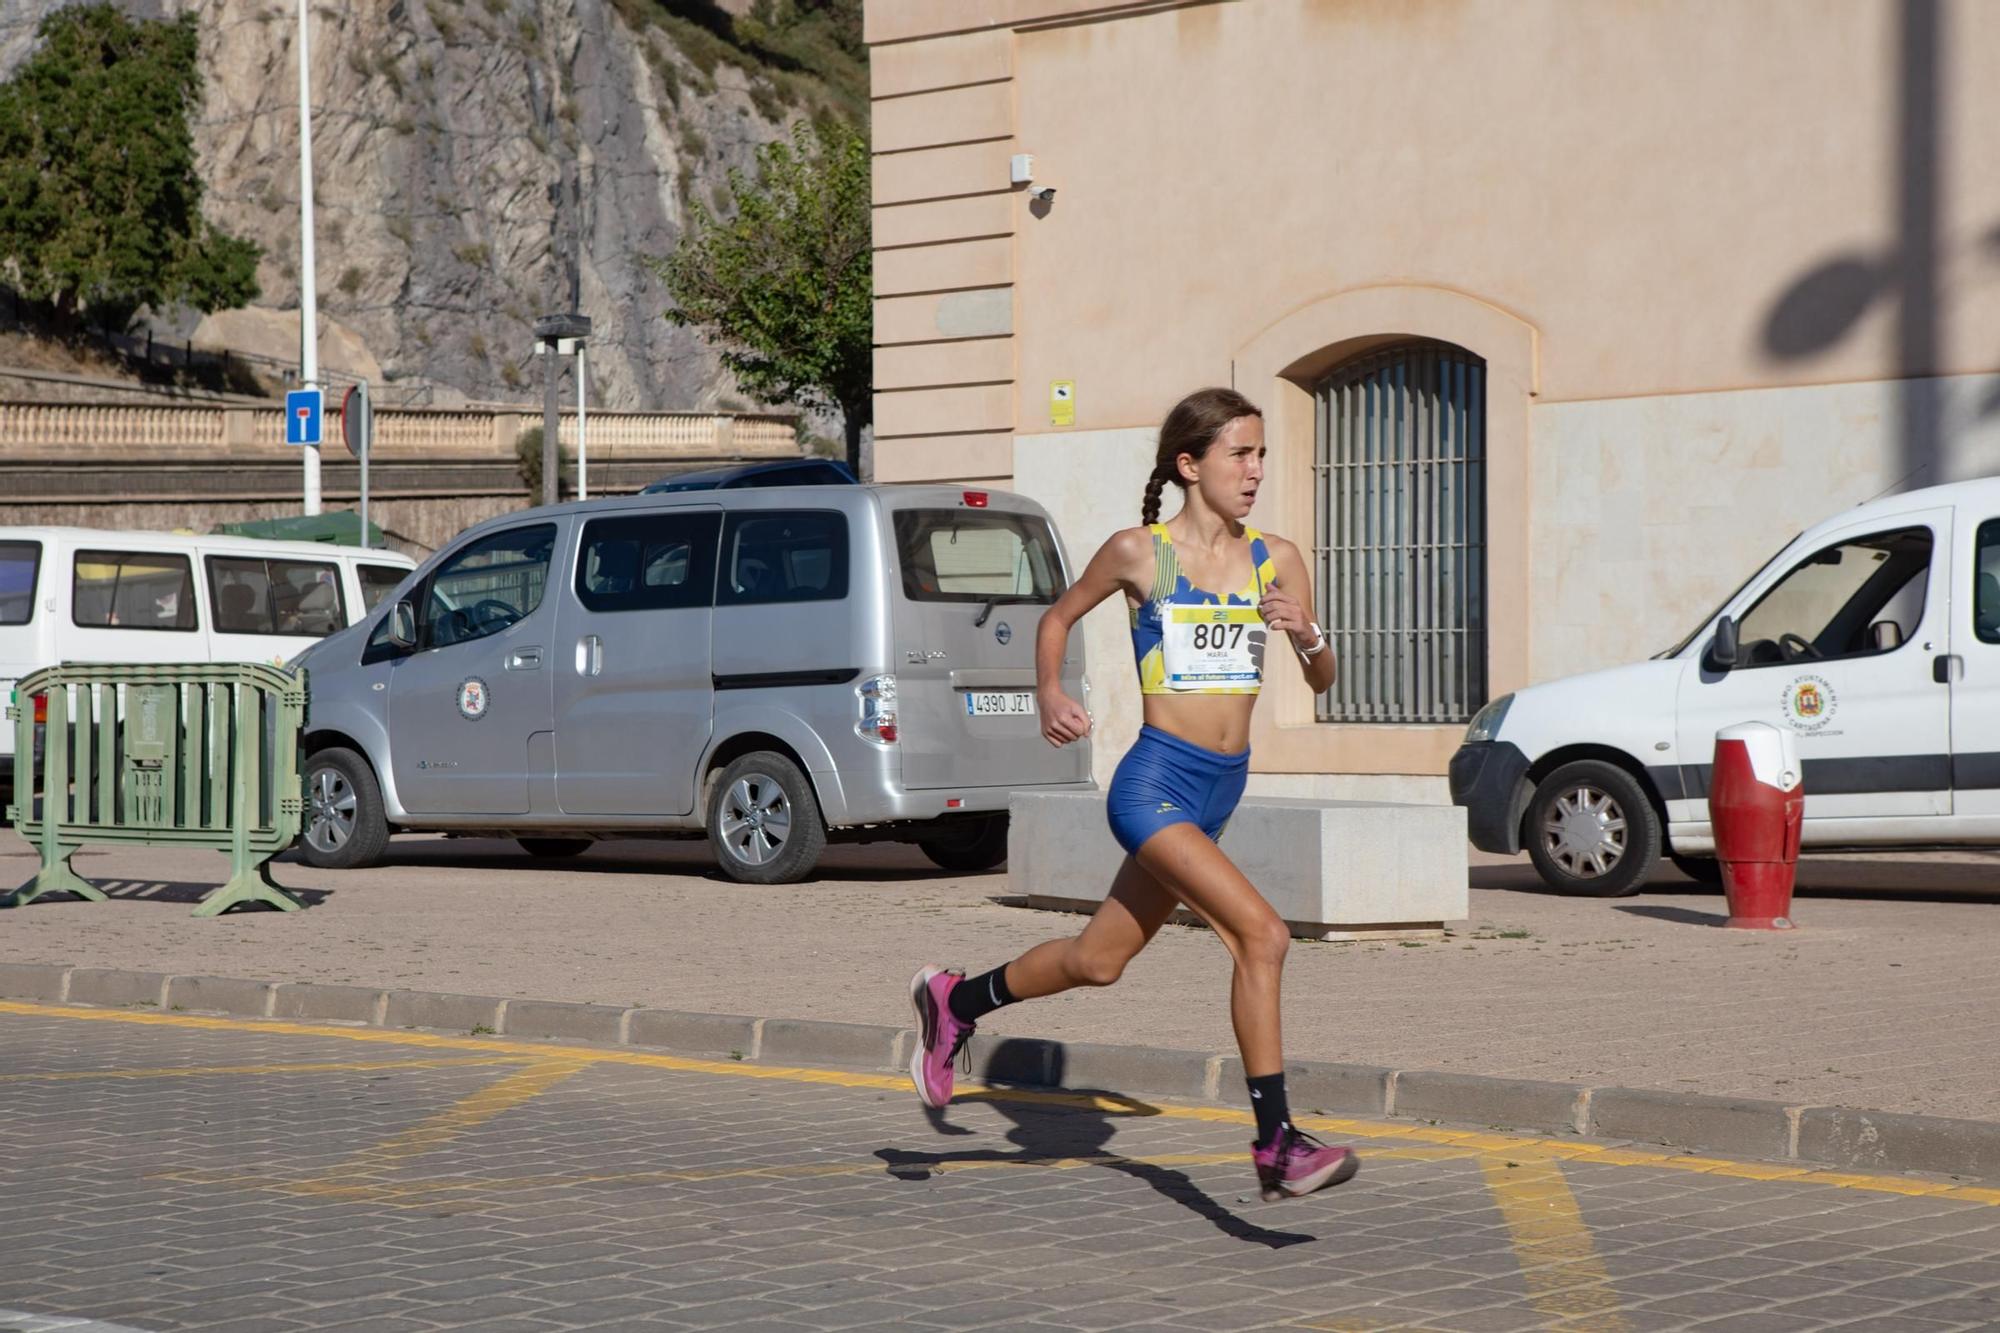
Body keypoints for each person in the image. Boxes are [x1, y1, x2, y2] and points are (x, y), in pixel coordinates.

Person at [907, 386, 1359, 1202]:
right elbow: (1057, 617)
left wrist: (1309, 634)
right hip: (1153, 783)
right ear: (1191, 465)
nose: (1256, 470)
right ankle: (1276, 1142)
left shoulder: (1278, 557)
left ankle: (954, 999)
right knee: (1262, 935)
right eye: (1240, 454)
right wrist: (1049, 691)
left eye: (1262, 454)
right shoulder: (1138, 552)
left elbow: (1322, 678)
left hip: (1219, 791)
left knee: (1099, 959)